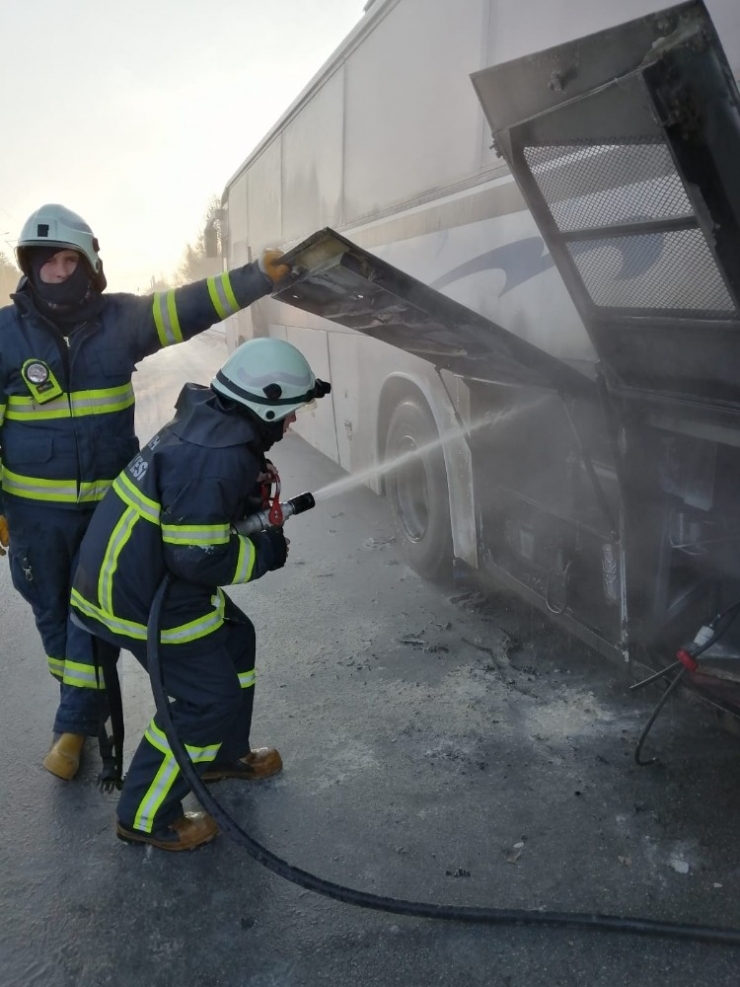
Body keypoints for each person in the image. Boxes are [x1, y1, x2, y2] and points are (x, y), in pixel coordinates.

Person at [0, 203, 290, 781]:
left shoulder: (121, 321)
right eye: (45, 264)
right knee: (57, 617)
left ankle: (137, 724)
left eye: (67, 261)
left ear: (89, 264)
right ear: (29, 271)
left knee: (109, 617)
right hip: (35, 518)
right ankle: (79, 722)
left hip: (115, 513)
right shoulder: (3, 336)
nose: (57, 274)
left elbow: (191, 305)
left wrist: (257, 276)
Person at [70, 337, 331, 851]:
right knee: (206, 700)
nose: (294, 422)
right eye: (292, 412)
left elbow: (193, 526)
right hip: (134, 597)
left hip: (138, 576)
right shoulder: (218, 459)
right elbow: (195, 558)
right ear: (266, 404)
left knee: (237, 638)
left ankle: (218, 758)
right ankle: (144, 815)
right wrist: (265, 552)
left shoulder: (211, 424)